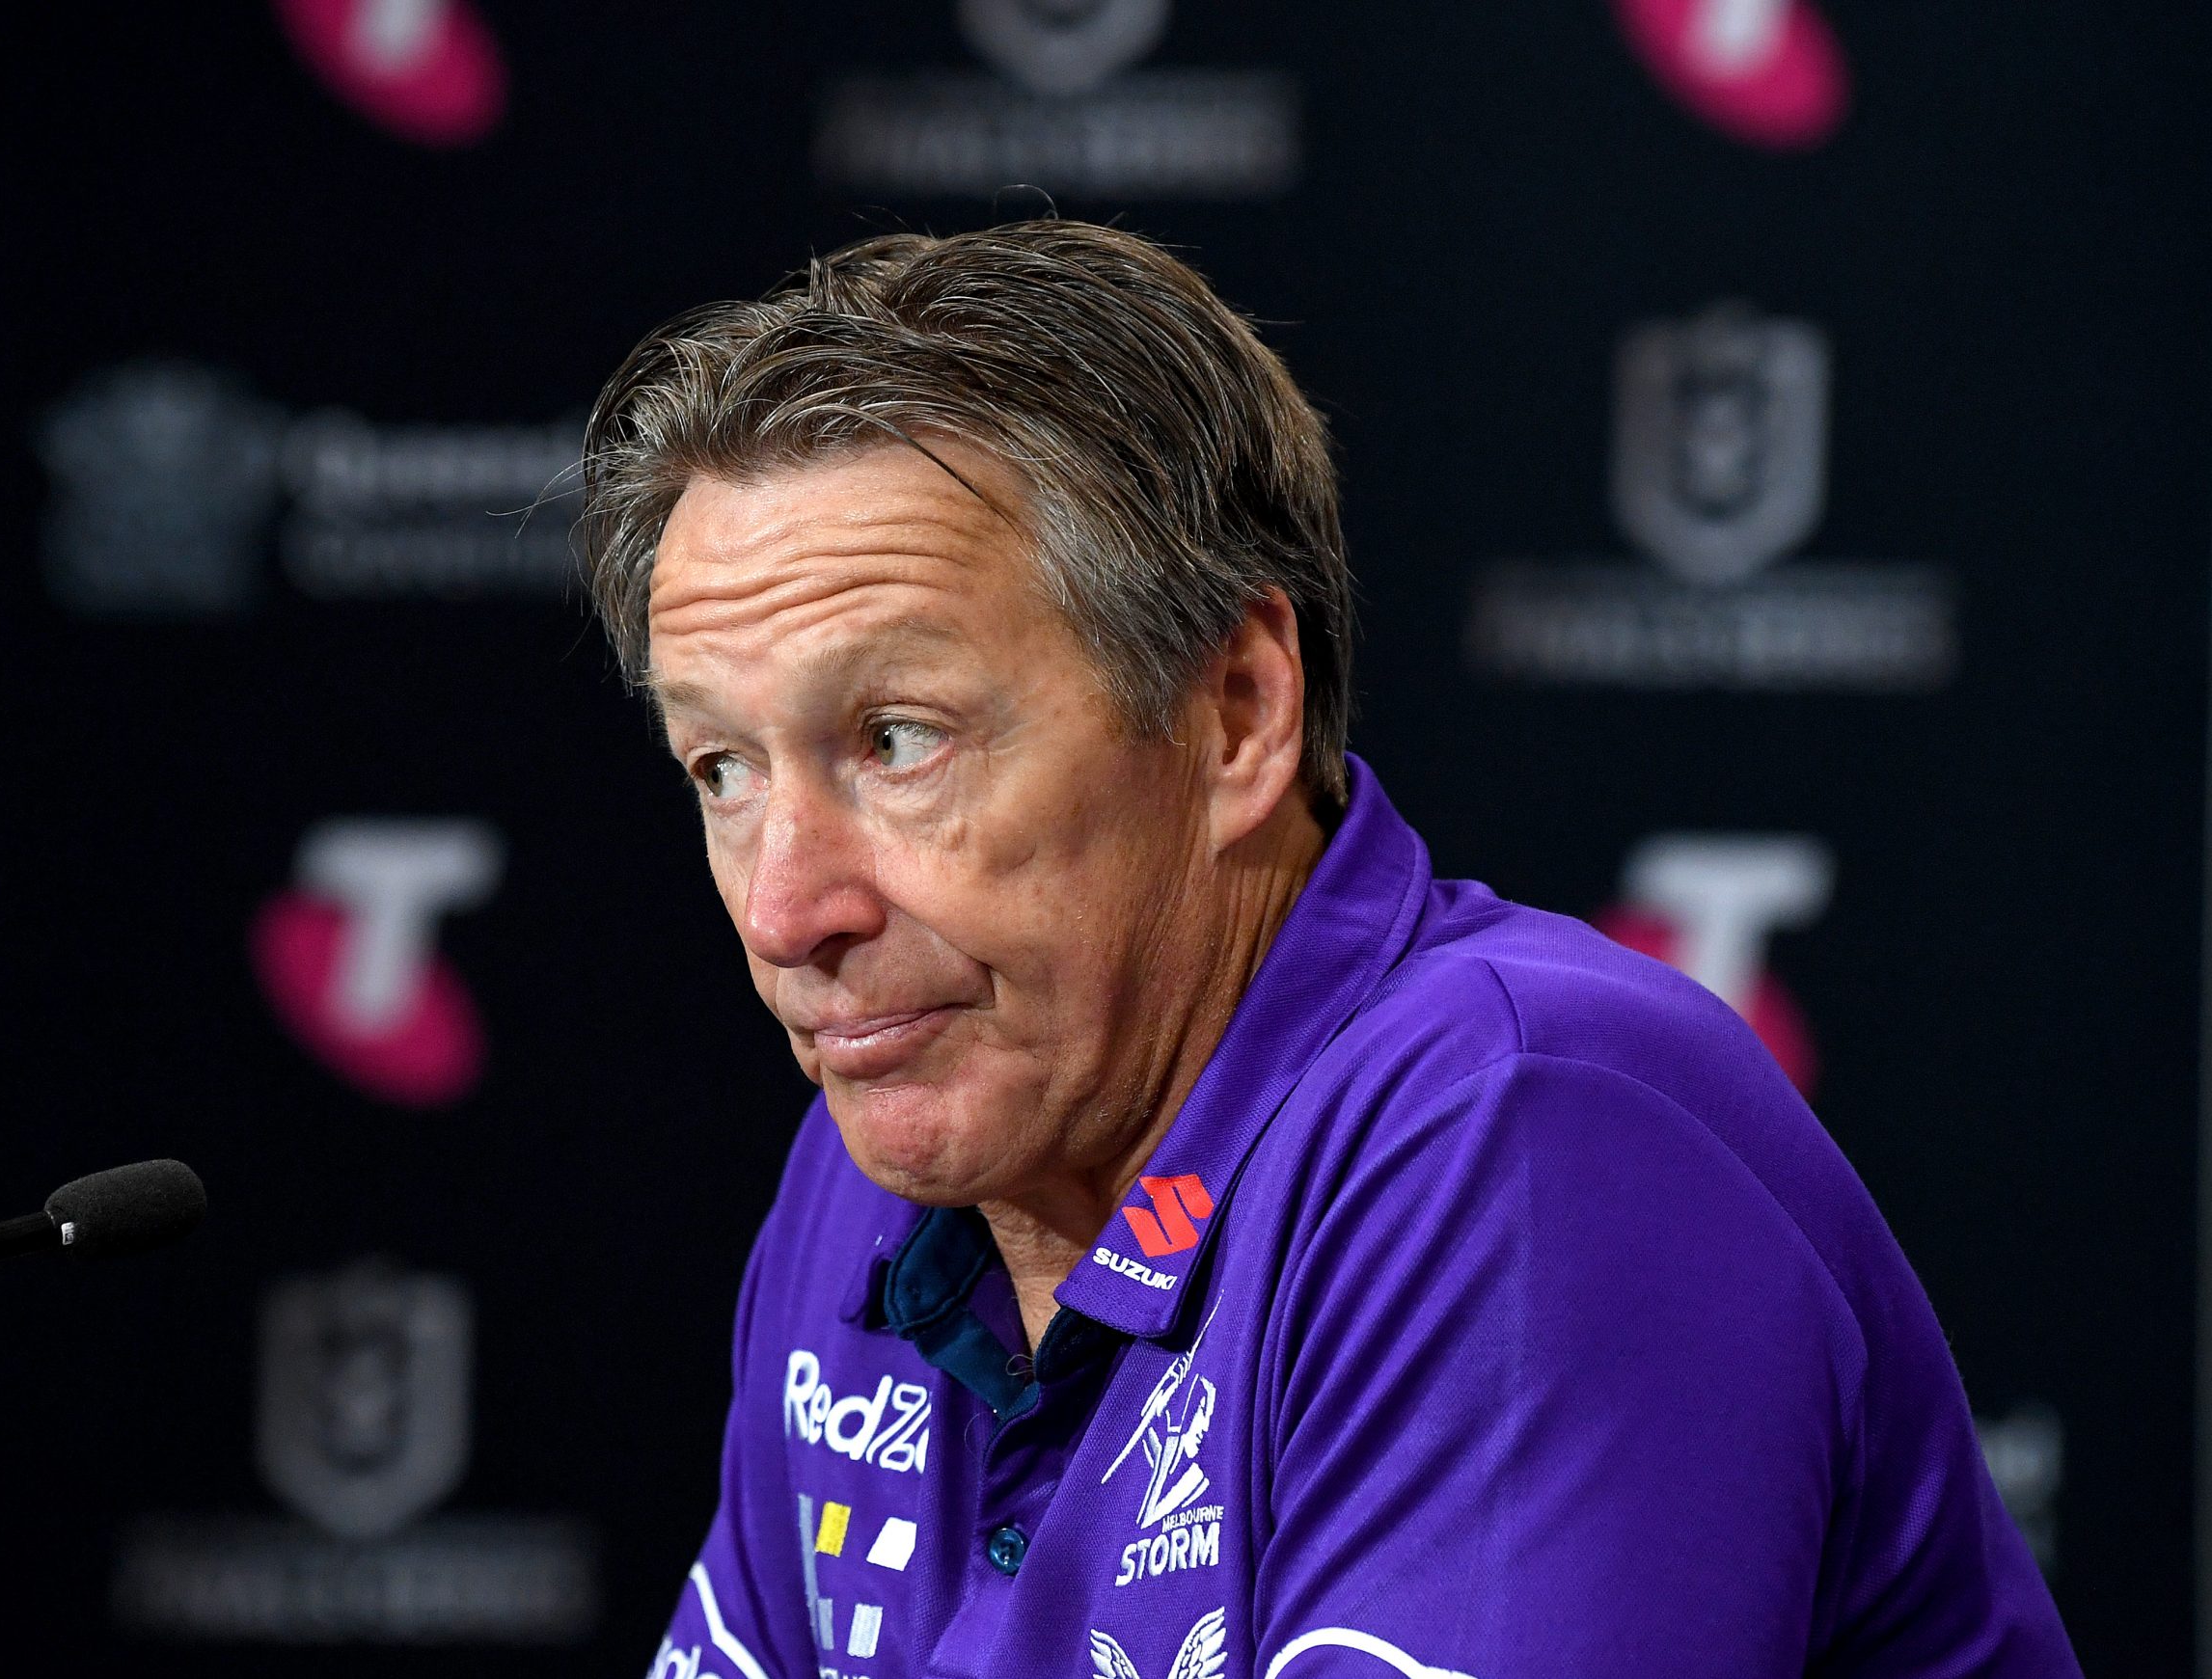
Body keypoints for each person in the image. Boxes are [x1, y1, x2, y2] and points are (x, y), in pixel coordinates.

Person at [578, 220, 2078, 1679]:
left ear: (1238, 711)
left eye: (899, 740)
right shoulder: (871, 1180)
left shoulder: (1527, 1132)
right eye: (722, 770)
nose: (786, 911)